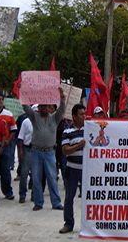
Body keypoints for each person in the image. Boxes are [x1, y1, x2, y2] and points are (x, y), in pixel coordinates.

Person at [23, 88, 65, 211]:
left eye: (47, 106)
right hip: (36, 151)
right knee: (36, 177)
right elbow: (25, 107)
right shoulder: (34, 117)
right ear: (39, 108)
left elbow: (62, 109)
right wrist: (22, 91)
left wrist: (61, 97)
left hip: (50, 152)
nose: (45, 108)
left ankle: (56, 203)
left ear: (50, 108)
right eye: (42, 106)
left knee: (52, 177)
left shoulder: (55, 118)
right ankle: (38, 203)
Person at [60, 104, 86, 234]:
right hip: (72, 169)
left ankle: (88, 225)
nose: (84, 116)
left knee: (90, 198)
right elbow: (65, 151)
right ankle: (68, 223)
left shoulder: (90, 129)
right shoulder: (67, 131)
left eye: (84, 114)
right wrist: (78, 145)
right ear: (74, 116)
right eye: (81, 114)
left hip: (87, 171)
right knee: (69, 197)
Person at [0, 93, 17, 200]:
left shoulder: (9, 114)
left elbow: (13, 130)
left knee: (5, 170)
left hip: (5, 145)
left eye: (2, 99)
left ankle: (8, 192)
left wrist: (8, 141)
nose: (1, 101)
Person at [17, 112, 34, 203]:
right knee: (24, 173)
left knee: (36, 174)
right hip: (27, 148)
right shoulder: (26, 122)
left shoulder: (42, 122)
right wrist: (20, 151)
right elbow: (20, 138)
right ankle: (22, 194)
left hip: (37, 149)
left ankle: (34, 195)